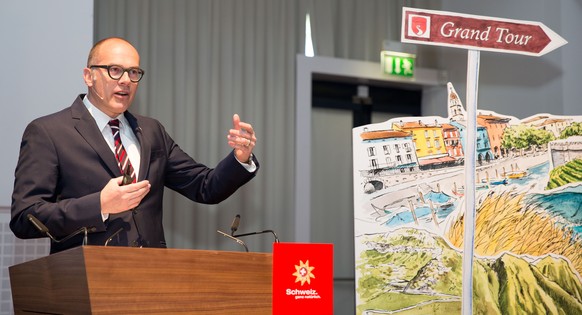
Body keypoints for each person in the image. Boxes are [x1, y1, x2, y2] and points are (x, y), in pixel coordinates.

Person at [10, 37, 259, 254]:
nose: (126, 80)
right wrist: (99, 205)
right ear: (88, 76)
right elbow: (25, 217)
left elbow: (205, 187)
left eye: (133, 72)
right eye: (115, 70)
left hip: (150, 278)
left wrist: (240, 159)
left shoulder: (151, 131)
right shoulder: (49, 132)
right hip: (85, 279)